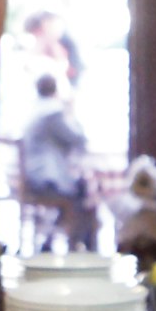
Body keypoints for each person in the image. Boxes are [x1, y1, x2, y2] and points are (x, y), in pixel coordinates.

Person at [13, 73, 97, 250]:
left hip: (33, 175)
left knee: (80, 191)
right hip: (47, 178)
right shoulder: (53, 112)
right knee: (83, 193)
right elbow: (77, 138)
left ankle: (51, 236)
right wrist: (71, 110)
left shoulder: (35, 108)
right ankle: (78, 243)